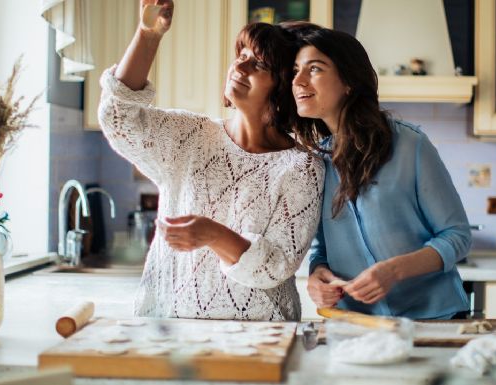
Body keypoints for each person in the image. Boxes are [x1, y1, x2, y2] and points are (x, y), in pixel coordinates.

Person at [98, 0, 324, 321]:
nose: (240, 67)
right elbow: (117, 116)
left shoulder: (301, 167)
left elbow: (275, 266)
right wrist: (149, 35)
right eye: (241, 56)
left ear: (283, 89)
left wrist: (214, 235)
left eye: (259, 65)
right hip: (168, 325)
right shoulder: (190, 135)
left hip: (261, 336)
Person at [290, 27, 471, 319]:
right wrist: (317, 275)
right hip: (357, 325)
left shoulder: (410, 145)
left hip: (434, 320)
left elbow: (457, 236)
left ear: (348, 81)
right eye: (296, 70)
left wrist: (394, 270)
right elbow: (321, 249)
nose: (298, 81)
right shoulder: (314, 162)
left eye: (314, 69)